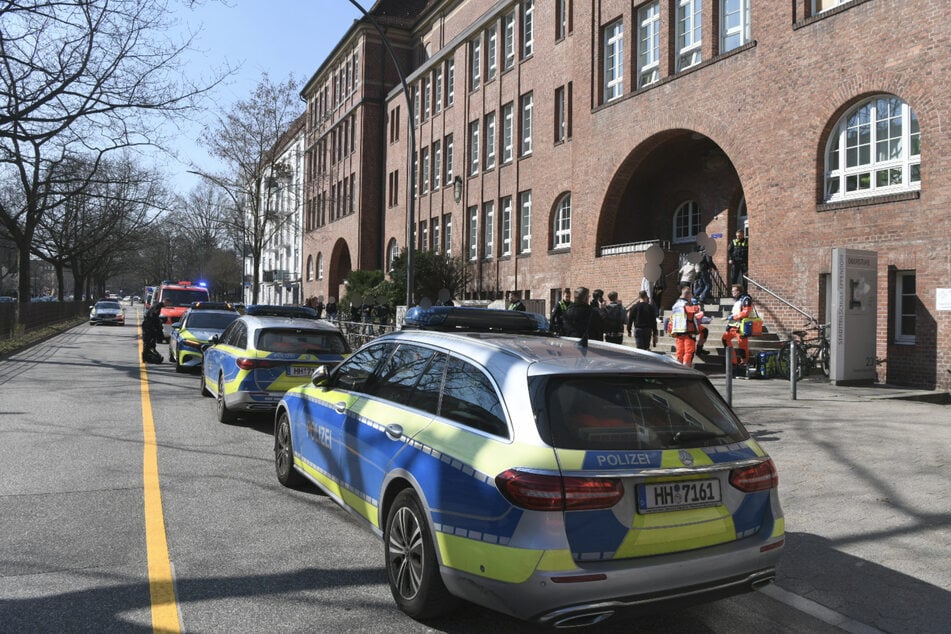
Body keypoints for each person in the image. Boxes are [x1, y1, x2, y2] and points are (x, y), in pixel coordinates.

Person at [666, 286, 702, 367]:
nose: (691, 296)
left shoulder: (675, 305)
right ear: (688, 295)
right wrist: (697, 306)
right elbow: (696, 310)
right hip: (688, 332)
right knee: (689, 352)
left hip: (678, 332)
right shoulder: (686, 305)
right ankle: (686, 368)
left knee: (679, 352)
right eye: (691, 295)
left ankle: (678, 368)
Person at [721, 283, 754, 369]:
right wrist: (730, 320)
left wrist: (733, 317)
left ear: (738, 291)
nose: (732, 292)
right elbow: (736, 312)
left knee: (742, 346)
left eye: (733, 291)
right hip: (733, 325)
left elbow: (746, 312)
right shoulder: (738, 300)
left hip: (741, 326)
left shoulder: (746, 299)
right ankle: (733, 361)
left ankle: (744, 363)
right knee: (725, 339)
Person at [141, 298, 169, 363]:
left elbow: (154, 316)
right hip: (148, 327)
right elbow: (153, 316)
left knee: (151, 344)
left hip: (150, 327)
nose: (168, 305)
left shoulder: (157, 306)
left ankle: (148, 357)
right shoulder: (158, 307)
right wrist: (158, 323)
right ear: (166, 302)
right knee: (147, 343)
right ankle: (145, 357)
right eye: (168, 303)